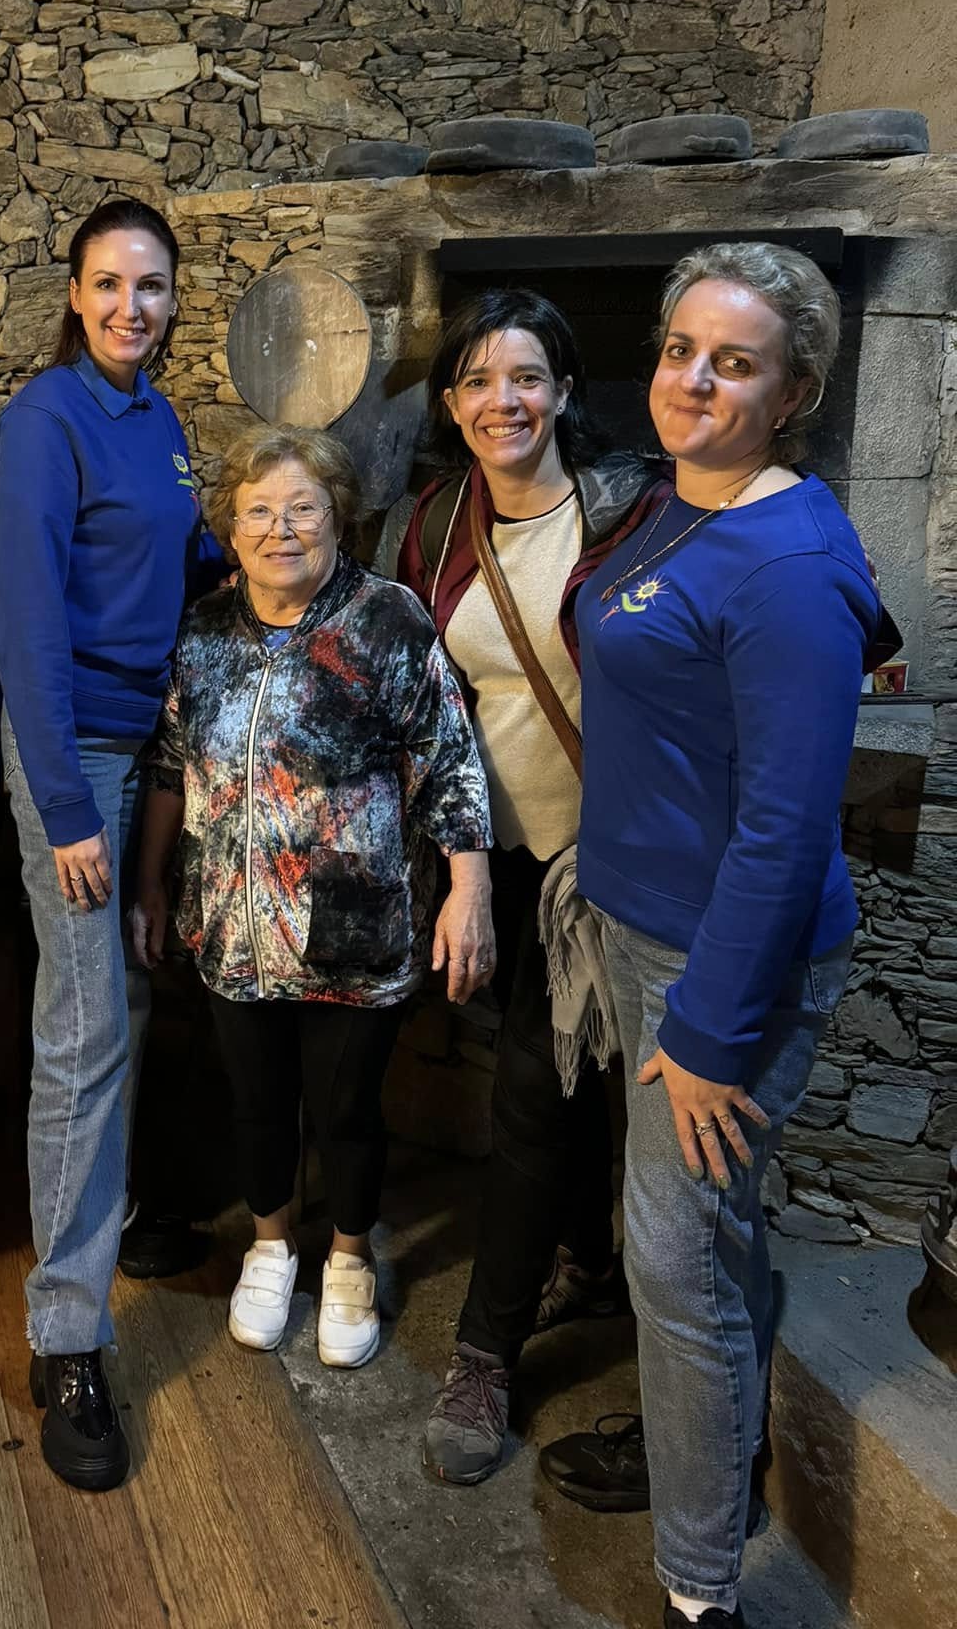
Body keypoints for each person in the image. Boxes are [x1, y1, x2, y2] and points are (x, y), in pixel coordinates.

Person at [558, 243, 884, 1629]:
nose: (693, 378)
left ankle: (700, 1590)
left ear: (792, 393)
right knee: (709, 1234)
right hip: (647, 927)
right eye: (681, 347)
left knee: (674, 1256)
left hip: (721, 962)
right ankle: (716, 1457)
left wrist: (707, 1030)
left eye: (734, 362)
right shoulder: (675, 502)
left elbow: (788, 828)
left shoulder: (790, 564)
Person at [133, 425, 493, 1372]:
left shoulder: (387, 621)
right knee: (257, 1103)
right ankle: (269, 1246)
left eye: (303, 507)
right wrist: (150, 885)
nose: (280, 528)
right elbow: (171, 765)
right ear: (230, 528)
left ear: (338, 518)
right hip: (231, 925)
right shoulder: (205, 631)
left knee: (346, 1111)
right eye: (258, 511)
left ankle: (348, 1259)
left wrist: (469, 891)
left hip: (352, 929)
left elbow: (449, 763)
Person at [386, 287, 667, 1487]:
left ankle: (484, 1353)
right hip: (487, 850)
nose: (502, 400)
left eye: (526, 376)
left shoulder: (632, 511)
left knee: (535, 1094)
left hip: (601, 856)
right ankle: (591, 1264)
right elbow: (420, 694)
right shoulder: (433, 524)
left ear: (562, 390)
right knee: (563, 1076)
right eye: (477, 380)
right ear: (450, 402)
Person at [0, 196, 221, 1492]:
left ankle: (109, 1215)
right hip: (72, 749)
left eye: (152, 286)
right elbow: (26, 620)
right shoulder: (46, 420)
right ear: (75, 297)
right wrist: (68, 810)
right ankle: (67, 1337)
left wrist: (265, 545)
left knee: (125, 995)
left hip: (151, 740)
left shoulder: (161, 419)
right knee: (83, 1030)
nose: (132, 306)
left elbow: (181, 554)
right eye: (110, 284)